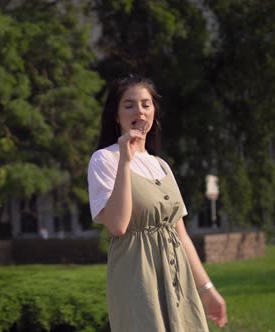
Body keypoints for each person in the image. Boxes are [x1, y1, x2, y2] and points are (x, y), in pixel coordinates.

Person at [87, 75, 227, 331]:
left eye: (146, 104)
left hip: (178, 277)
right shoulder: (104, 161)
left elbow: (180, 234)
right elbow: (118, 226)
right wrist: (125, 161)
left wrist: (207, 290)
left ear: (154, 113)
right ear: (117, 115)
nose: (139, 111)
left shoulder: (160, 165)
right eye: (129, 105)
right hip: (137, 280)